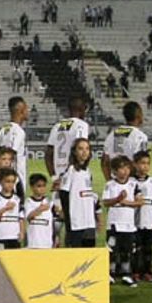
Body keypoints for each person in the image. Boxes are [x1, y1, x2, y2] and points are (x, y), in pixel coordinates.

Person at [46, 97, 91, 235]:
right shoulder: (81, 125)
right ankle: (72, 247)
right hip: (73, 175)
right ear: (81, 109)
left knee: (58, 213)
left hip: (58, 176)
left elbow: (48, 154)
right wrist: (72, 172)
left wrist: (54, 177)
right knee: (75, 216)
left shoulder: (57, 126)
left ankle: (53, 246)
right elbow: (79, 148)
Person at [101, 156, 138, 282]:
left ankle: (126, 273)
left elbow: (140, 202)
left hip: (129, 224)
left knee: (127, 250)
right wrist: (117, 199)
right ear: (115, 171)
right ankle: (110, 273)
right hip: (114, 223)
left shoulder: (133, 184)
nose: (125, 171)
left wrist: (125, 202)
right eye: (121, 168)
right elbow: (105, 202)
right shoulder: (110, 185)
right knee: (112, 249)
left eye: (127, 167)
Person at [60, 138, 97, 249]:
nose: (84, 152)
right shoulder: (71, 170)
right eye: (80, 149)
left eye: (87, 148)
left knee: (89, 255)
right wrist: (68, 221)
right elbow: (64, 194)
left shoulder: (88, 171)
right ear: (74, 152)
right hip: (76, 223)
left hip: (89, 223)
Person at [131, 151, 152, 282]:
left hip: (148, 221)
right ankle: (135, 271)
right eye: (142, 163)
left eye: (148, 163)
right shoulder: (130, 182)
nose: (145, 166)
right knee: (135, 248)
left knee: (148, 248)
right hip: (133, 223)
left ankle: (147, 271)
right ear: (135, 164)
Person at [0, 97, 31, 186]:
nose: (28, 111)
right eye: (26, 108)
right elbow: (12, 153)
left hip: (3, 179)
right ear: (21, 110)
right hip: (14, 180)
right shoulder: (18, 131)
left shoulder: (4, 129)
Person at [0, 168, 23, 249]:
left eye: (12, 182)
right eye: (7, 181)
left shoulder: (17, 199)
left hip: (14, 235)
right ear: (0, 182)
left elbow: (21, 217)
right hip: (1, 236)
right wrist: (6, 208)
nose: (10, 184)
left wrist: (22, 232)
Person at [23, 173, 57, 251]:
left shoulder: (49, 202)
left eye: (44, 186)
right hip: (33, 242)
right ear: (32, 187)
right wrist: (40, 209)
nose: (42, 188)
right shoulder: (28, 202)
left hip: (47, 243)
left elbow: (53, 221)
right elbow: (29, 216)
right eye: (39, 186)